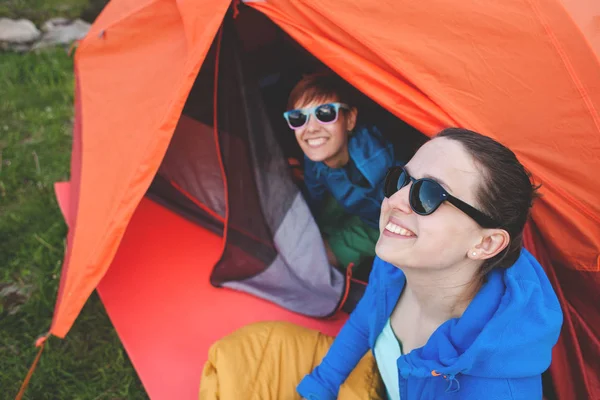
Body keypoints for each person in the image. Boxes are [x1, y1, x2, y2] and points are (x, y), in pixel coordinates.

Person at [199, 128, 563, 400]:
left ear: (485, 243)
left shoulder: (500, 386)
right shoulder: (395, 265)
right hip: (374, 381)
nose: (395, 199)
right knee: (235, 358)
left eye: (429, 194)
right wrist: (322, 385)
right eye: (401, 179)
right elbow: (364, 320)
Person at [283, 72, 402, 271]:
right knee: (298, 233)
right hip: (342, 197)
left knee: (319, 257)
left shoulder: (377, 166)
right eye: (298, 118)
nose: (310, 128)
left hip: (380, 222)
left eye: (325, 113)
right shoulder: (315, 156)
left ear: (350, 120)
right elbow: (314, 195)